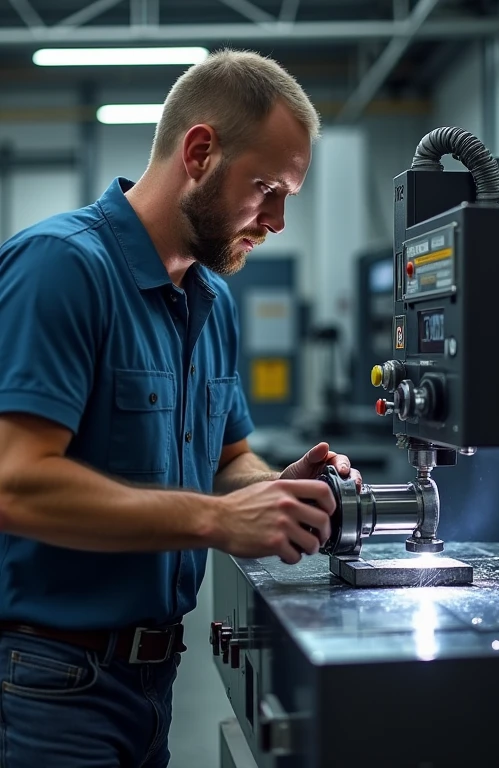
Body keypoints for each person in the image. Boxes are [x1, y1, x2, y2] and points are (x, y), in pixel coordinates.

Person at [0, 49, 361, 766]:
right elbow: (14, 482)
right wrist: (219, 520)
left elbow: (227, 457)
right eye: (267, 188)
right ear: (199, 152)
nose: (279, 220)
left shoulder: (211, 301)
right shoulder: (61, 268)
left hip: (151, 681)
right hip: (47, 688)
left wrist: (275, 491)